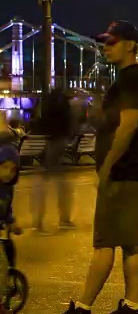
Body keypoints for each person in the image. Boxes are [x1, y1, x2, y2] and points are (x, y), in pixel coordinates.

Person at [58, 20, 138, 314]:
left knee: (104, 243)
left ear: (130, 45)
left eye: (112, 42)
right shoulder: (136, 79)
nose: (105, 47)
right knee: (130, 243)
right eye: (104, 42)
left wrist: (107, 167)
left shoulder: (130, 80)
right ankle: (131, 306)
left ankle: (83, 308)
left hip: (121, 173)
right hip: (132, 171)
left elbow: (128, 126)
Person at [31, 86, 74, 233]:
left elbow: (41, 123)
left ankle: (39, 220)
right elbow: (69, 124)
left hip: (51, 142)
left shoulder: (48, 104)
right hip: (59, 141)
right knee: (60, 181)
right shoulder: (64, 105)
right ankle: (63, 218)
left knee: (46, 180)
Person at [0, 123, 21, 314]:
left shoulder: (7, 188)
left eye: (12, 170)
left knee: (6, 258)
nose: (8, 173)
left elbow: (6, 209)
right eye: (4, 168)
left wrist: (12, 221)